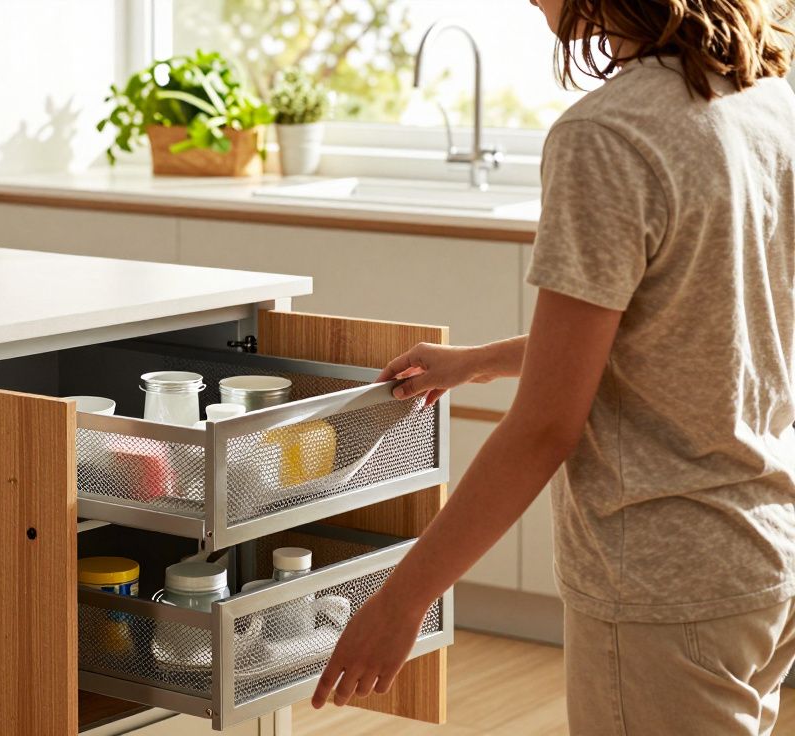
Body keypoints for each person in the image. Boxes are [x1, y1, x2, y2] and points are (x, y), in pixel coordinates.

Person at [311, 0, 795, 732]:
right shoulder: (762, 100)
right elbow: (691, 332)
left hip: (662, 580)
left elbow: (544, 427)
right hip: (763, 554)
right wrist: (479, 362)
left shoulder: (609, 133)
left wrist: (401, 601)